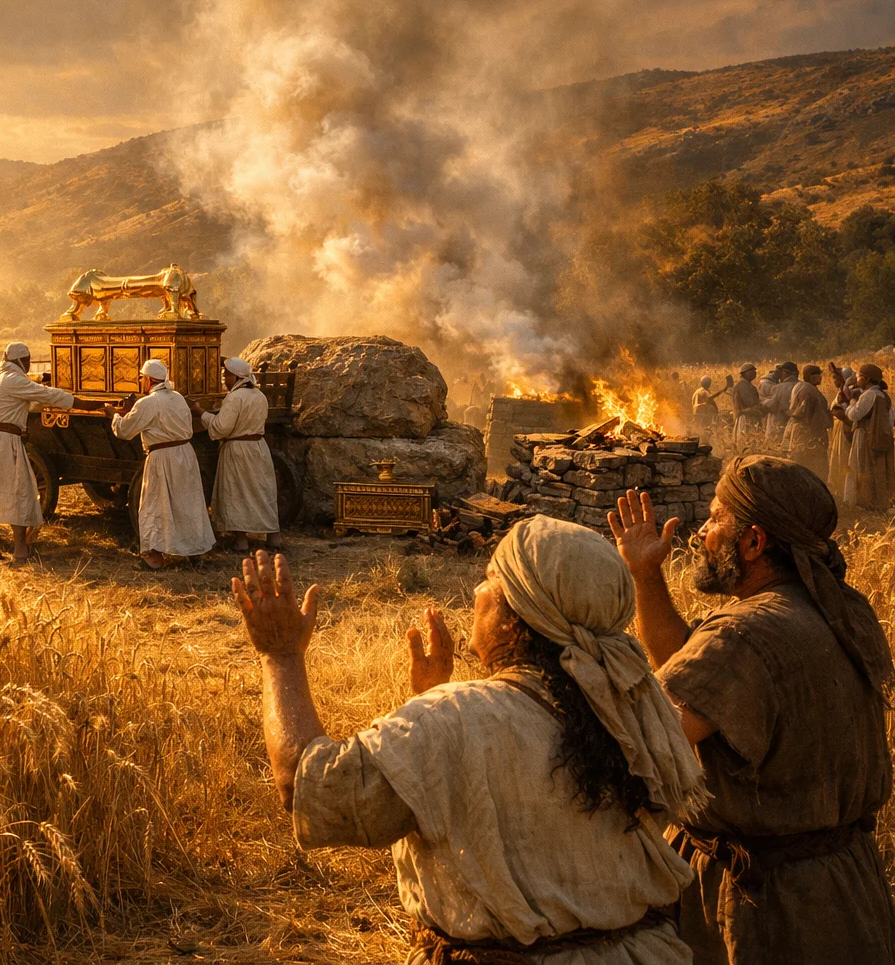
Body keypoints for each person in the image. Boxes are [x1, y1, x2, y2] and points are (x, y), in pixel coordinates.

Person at [234, 520, 702, 962]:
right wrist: (430, 698)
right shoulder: (624, 705)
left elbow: (306, 784)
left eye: (489, 578)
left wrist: (280, 655)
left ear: (515, 617)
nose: (476, 590)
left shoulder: (455, 717)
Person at [609, 459, 895, 964]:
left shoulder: (743, 634)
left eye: (716, 518)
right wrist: (645, 575)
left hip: (761, 908)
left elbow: (649, 742)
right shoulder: (834, 610)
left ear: (754, 542)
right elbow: (695, 672)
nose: (701, 533)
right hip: (845, 892)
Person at [0, 342, 105, 562]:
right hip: (5, 440)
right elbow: (50, 396)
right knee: (21, 490)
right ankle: (20, 550)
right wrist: (92, 404)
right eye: (28, 360)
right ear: (23, 361)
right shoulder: (14, 380)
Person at [112, 359, 216, 569]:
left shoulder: (148, 402)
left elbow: (124, 430)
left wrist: (114, 415)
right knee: (187, 504)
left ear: (148, 380)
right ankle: (195, 552)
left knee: (154, 505)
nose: (141, 381)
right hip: (185, 454)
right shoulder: (177, 398)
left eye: (142, 377)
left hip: (162, 458)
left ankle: (153, 558)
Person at [188, 358, 281, 553]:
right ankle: (274, 538)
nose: (224, 378)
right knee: (263, 492)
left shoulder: (235, 398)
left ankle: (241, 542)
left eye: (226, 375)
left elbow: (221, 427)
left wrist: (201, 412)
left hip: (238, 451)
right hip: (258, 448)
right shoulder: (259, 395)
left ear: (237, 377)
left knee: (238, 493)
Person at [834, 363, 895, 510]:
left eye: (860, 376)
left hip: (864, 435)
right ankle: (875, 501)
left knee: (860, 467)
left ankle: (862, 501)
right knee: (875, 468)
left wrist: (848, 404)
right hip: (877, 436)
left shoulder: (869, 394)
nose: (858, 379)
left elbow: (855, 414)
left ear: (867, 379)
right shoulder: (883, 395)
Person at [784, 364, 833, 482]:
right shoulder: (808, 389)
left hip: (799, 430)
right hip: (807, 433)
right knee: (812, 467)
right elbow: (806, 413)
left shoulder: (801, 386)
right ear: (811, 377)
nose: (821, 377)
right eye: (818, 375)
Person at [828, 365, 860, 498]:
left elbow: (852, 413)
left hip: (846, 428)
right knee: (838, 457)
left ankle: (844, 491)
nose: (834, 381)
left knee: (844, 458)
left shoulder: (851, 392)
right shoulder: (842, 391)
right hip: (839, 428)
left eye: (836, 378)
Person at [728, 364, 761, 444]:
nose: (754, 373)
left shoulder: (748, 385)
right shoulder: (741, 386)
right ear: (745, 373)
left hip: (751, 416)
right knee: (745, 441)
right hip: (745, 418)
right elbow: (746, 404)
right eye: (752, 371)